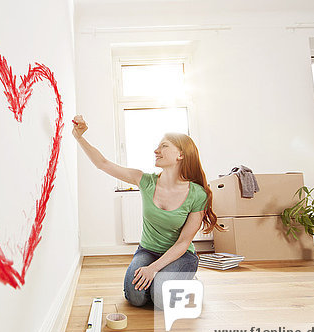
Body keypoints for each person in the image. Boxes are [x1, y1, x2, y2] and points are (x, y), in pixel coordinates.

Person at [72, 114, 223, 310]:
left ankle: (184, 281)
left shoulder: (197, 194)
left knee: (160, 298)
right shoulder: (145, 180)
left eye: (164, 146)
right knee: (135, 297)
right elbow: (103, 164)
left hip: (180, 254)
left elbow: (183, 242)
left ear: (181, 155)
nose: (156, 150)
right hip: (148, 250)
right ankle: (165, 282)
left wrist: (153, 269)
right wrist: (79, 137)